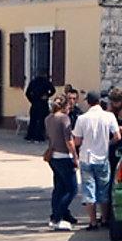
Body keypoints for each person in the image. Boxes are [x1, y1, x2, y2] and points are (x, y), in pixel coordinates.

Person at [71, 92, 120, 230]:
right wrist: (107, 143)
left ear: (88, 102)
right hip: (102, 158)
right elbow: (117, 136)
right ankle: (104, 219)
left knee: (88, 190)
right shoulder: (109, 116)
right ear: (99, 101)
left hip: (86, 157)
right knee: (103, 189)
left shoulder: (82, 118)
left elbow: (77, 140)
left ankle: (92, 222)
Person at [43, 98, 77, 230]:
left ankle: (54, 216)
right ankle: (57, 217)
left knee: (58, 187)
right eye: (68, 107)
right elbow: (69, 140)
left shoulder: (48, 118)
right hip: (64, 156)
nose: (69, 110)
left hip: (53, 156)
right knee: (72, 189)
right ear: (64, 107)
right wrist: (75, 157)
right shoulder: (64, 119)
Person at [24, 72, 54, 143]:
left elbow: (27, 93)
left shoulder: (33, 82)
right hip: (43, 104)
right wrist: (47, 95)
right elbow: (53, 90)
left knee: (33, 120)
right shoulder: (46, 82)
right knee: (41, 121)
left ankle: (30, 136)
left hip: (35, 104)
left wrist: (32, 100)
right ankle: (39, 137)